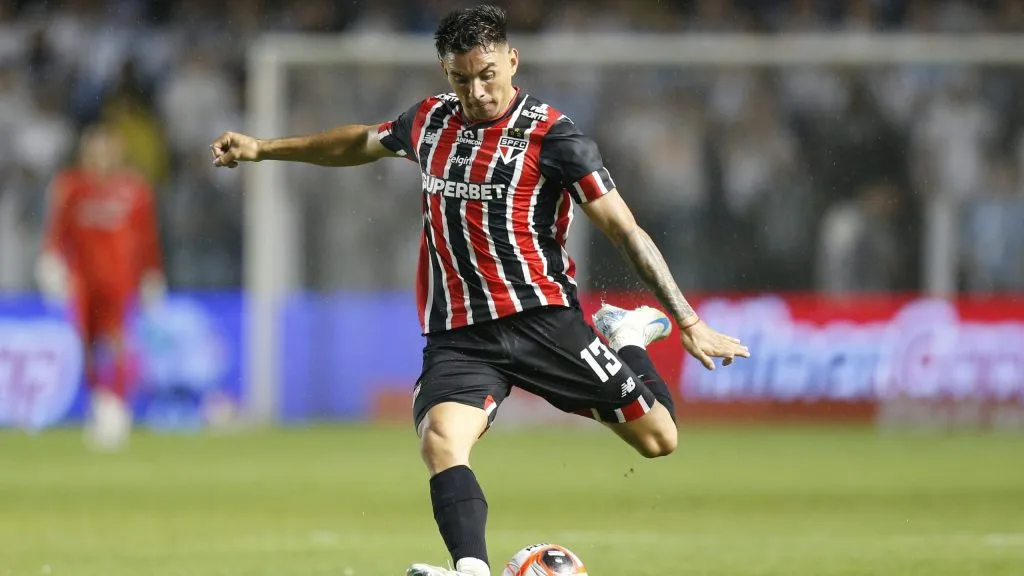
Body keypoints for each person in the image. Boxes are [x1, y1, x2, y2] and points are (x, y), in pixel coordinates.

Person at [209, 6, 749, 575]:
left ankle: (629, 334)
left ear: (512, 61)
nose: (477, 90)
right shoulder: (429, 122)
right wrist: (264, 148)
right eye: (461, 78)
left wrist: (686, 321)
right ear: (446, 74)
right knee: (441, 439)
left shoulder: (555, 136)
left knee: (659, 439)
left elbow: (625, 229)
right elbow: (358, 143)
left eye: (488, 73)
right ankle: (472, 569)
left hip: (542, 319)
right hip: (460, 334)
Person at [38, 123, 166, 450]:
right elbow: (58, 230)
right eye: (94, 150)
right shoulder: (71, 187)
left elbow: (147, 238)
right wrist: (51, 261)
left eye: (106, 150)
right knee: (85, 347)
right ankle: (101, 402)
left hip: (120, 282)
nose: (100, 157)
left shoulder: (134, 190)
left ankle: (118, 405)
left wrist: (152, 273)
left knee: (120, 343)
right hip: (82, 283)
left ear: (117, 152)